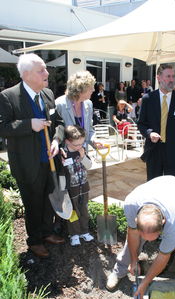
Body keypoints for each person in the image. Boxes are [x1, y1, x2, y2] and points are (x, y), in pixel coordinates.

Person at [0, 53, 65, 258]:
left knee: (48, 200)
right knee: (33, 203)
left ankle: (46, 233)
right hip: (27, 163)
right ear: (26, 75)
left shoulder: (47, 94)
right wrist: (30, 125)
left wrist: (56, 140)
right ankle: (34, 241)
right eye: (42, 70)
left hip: (50, 161)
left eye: (46, 69)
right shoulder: (8, 97)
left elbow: (59, 123)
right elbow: (3, 127)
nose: (47, 73)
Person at [55, 71, 104, 234]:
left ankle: (80, 227)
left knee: (80, 190)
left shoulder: (88, 105)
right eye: (90, 88)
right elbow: (57, 130)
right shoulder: (60, 104)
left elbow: (89, 130)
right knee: (65, 189)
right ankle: (62, 222)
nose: (93, 91)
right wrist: (61, 148)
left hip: (81, 155)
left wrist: (94, 140)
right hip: (65, 155)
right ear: (80, 90)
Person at [137, 63, 175, 181]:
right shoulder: (148, 99)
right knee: (153, 187)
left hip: (174, 152)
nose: (172, 80)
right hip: (154, 151)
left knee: (171, 188)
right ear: (159, 78)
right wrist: (149, 133)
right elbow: (140, 123)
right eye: (168, 76)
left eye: (173, 76)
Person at [60, 125, 94, 246]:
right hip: (71, 191)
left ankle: (84, 232)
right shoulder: (64, 155)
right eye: (76, 144)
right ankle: (74, 234)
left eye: (82, 143)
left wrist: (83, 156)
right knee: (73, 213)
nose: (79, 146)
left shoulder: (82, 151)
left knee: (84, 211)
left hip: (84, 189)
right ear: (67, 141)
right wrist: (62, 191)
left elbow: (89, 166)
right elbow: (61, 174)